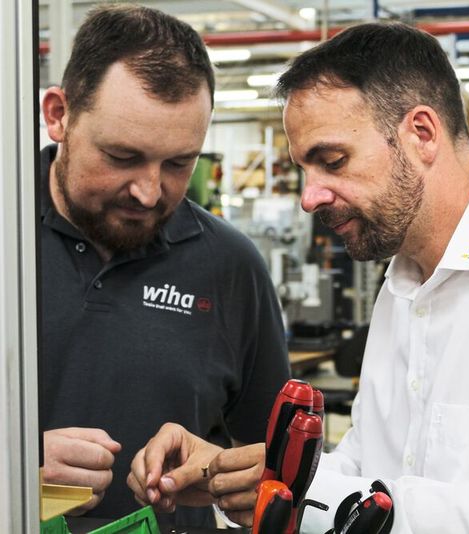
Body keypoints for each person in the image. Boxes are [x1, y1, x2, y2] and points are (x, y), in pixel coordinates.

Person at [131, 22, 469, 532]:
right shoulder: (403, 284)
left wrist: (342, 501)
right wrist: (249, 479)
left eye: (333, 160)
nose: (309, 196)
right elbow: (370, 466)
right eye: (305, 168)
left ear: (421, 133)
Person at [38, 4, 290, 527]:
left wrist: (231, 480)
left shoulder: (231, 266)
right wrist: (10, 469)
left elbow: (277, 469)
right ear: (59, 115)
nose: (149, 192)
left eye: (179, 163)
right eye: (122, 156)